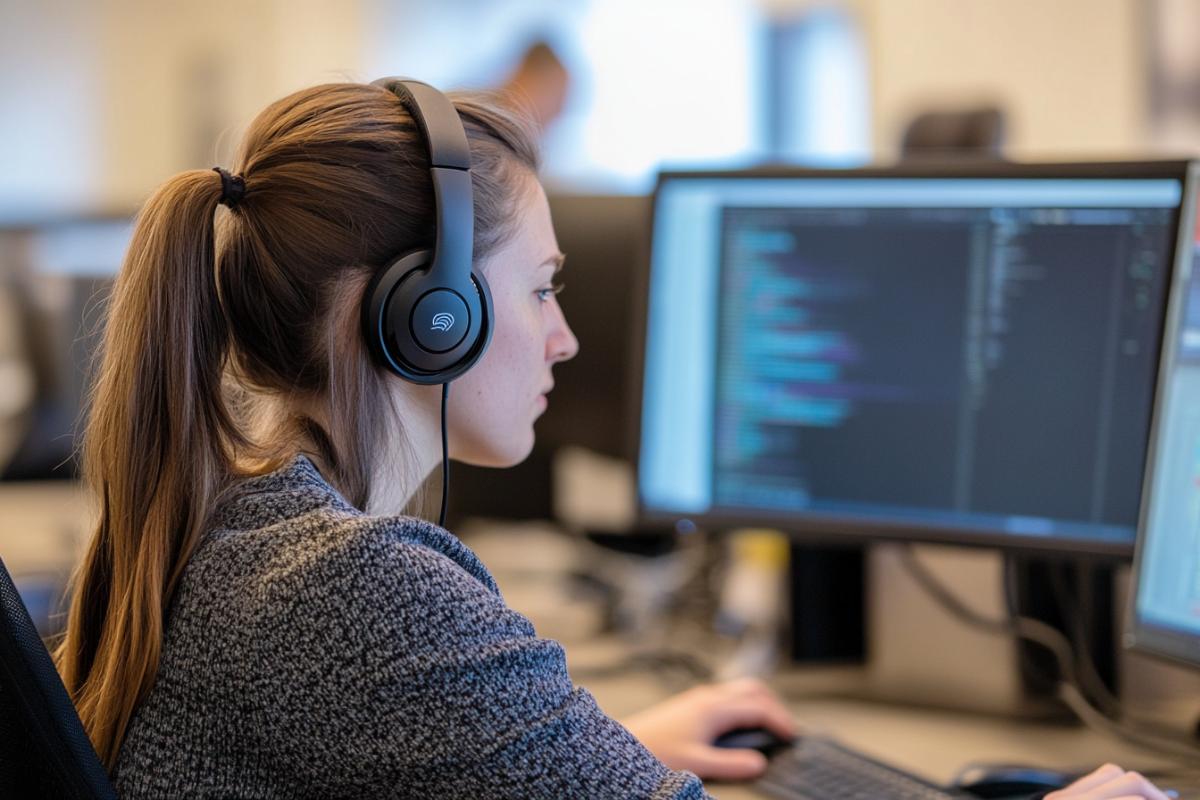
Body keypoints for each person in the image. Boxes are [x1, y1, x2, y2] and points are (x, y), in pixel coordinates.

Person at [50, 79, 1168, 800]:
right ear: (428, 315)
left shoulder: (239, 526)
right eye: (539, 289)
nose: (566, 336)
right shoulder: (355, 587)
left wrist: (593, 745)